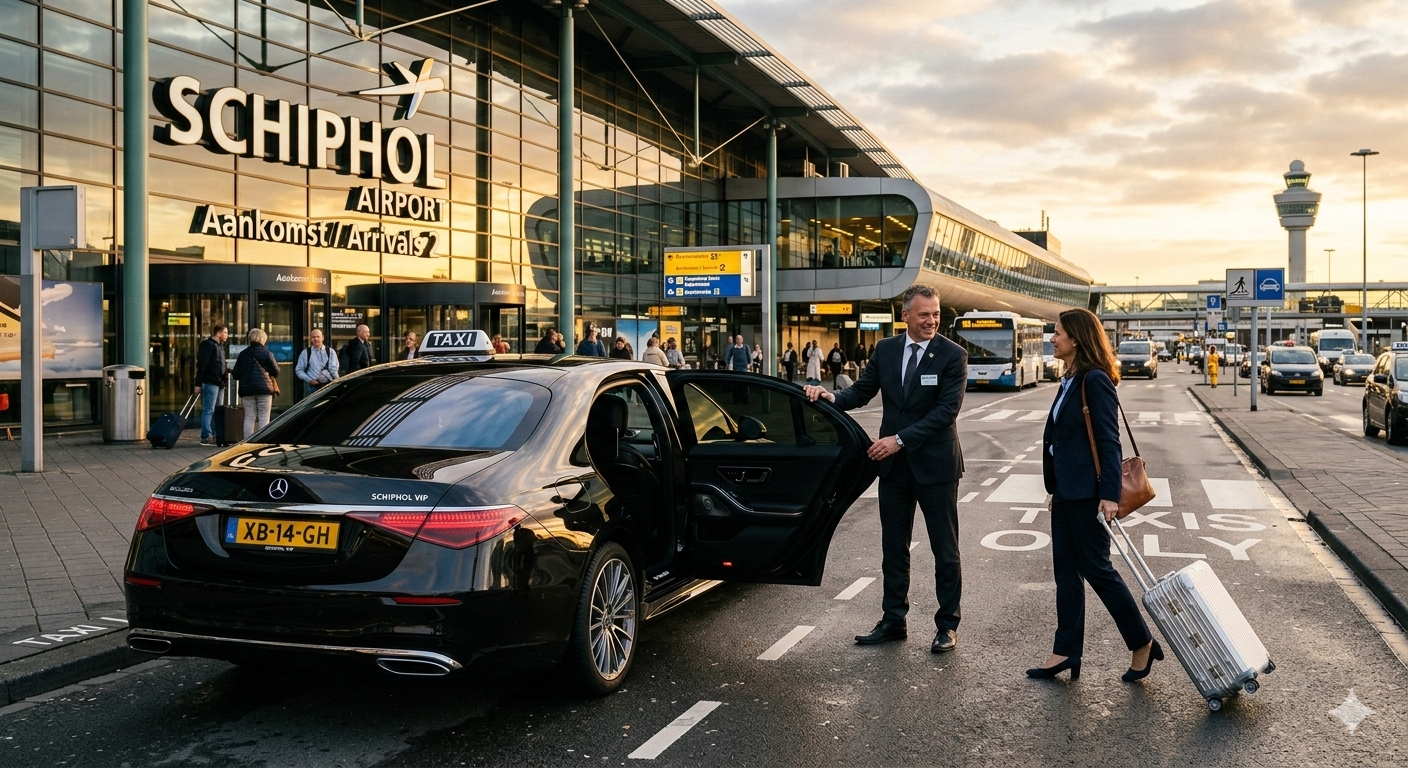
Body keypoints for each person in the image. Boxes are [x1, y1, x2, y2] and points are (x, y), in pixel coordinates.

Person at [804, 284, 967, 653]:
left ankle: (947, 625)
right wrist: (831, 397)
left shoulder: (952, 355)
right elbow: (861, 392)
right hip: (894, 469)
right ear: (905, 315)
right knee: (893, 548)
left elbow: (946, 413)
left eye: (936, 314)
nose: (931, 321)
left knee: (945, 548)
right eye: (924, 314)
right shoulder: (887, 350)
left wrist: (899, 439)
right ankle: (894, 620)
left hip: (935, 466)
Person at [1028, 307, 1160, 684]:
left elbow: (1107, 440)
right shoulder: (1069, 379)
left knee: (1097, 570)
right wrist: (1057, 488)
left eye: (1057, 334)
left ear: (1076, 339)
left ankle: (1142, 643)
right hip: (1068, 492)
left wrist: (1109, 496)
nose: (1052, 339)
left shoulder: (1095, 380)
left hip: (1089, 494)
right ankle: (1066, 651)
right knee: (1066, 574)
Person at [232, 328, 280, 437]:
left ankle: (247, 442)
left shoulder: (243, 354)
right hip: (264, 389)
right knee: (264, 416)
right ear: (263, 339)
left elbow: (236, 374)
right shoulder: (267, 353)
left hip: (247, 390)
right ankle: (261, 440)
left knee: (249, 416)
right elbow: (276, 371)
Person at [193, 324, 229, 446]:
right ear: (218, 333)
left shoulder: (219, 347)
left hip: (219, 383)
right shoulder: (208, 346)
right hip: (210, 382)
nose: (226, 336)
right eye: (225, 333)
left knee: (217, 411)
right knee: (209, 410)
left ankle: (215, 434)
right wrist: (198, 383)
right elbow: (202, 365)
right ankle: (206, 436)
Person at [294, 328, 338, 395]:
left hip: (329, 386)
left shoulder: (331, 352)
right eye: (313, 337)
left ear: (322, 338)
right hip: (313, 388)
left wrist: (337, 381)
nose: (316, 339)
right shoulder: (305, 353)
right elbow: (299, 370)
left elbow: (334, 369)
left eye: (318, 337)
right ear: (310, 339)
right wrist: (309, 380)